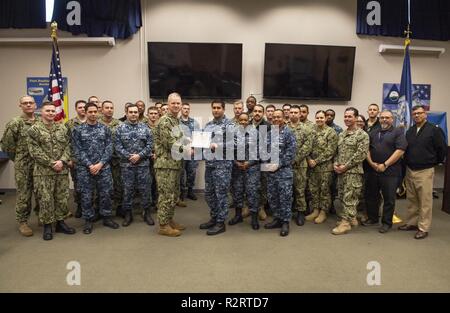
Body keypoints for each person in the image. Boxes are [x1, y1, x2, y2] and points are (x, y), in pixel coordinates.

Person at [27, 101, 75, 240]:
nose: (50, 113)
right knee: (45, 199)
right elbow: (34, 150)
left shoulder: (62, 128)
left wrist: (62, 161)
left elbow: (68, 146)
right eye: (47, 111)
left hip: (61, 170)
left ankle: (60, 223)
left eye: (53, 111)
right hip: (43, 171)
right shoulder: (34, 129)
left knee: (62, 197)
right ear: (41, 112)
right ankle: (48, 225)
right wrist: (51, 163)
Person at [400, 105, 446, 239]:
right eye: (414, 114)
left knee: (425, 201)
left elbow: (442, 149)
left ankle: (423, 227)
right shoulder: (410, 131)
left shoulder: (434, 130)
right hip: (410, 170)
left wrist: (433, 162)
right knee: (412, 199)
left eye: (419, 113)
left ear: (425, 114)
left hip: (425, 170)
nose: (416, 116)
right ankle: (412, 223)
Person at [72, 102, 119, 234]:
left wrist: (100, 164)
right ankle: (88, 220)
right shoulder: (78, 130)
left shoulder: (105, 129)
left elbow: (109, 148)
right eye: (90, 112)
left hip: (103, 167)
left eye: (95, 112)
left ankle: (106, 217)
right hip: (85, 169)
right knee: (87, 195)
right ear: (85, 113)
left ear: (98, 113)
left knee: (106, 193)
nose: (93, 114)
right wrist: (90, 165)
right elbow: (77, 149)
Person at [1, 95, 40, 236]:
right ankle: (23, 222)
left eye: (31, 103)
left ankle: (41, 216)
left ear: (35, 105)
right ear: (20, 106)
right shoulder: (15, 123)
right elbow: (7, 145)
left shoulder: (41, 121)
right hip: (23, 165)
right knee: (24, 194)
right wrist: (18, 159)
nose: (28, 105)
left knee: (41, 191)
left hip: (40, 164)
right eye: (25, 103)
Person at [364, 110, 407, 233]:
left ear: (392, 119)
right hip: (373, 169)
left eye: (387, 118)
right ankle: (372, 218)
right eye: (382, 117)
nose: (384, 120)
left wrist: (385, 164)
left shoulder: (398, 133)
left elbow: (400, 150)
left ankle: (386, 223)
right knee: (371, 195)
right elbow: (367, 148)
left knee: (389, 198)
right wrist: (372, 163)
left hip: (390, 171)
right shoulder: (374, 132)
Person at [154, 93, 190, 237]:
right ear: (168, 105)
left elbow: (179, 140)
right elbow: (170, 143)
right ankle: (163, 226)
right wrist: (187, 149)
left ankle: (169, 220)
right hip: (165, 165)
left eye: (178, 103)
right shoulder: (165, 121)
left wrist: (188, 142)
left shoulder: (176, 121)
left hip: (174, 164)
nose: (176, 105)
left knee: (173, 195)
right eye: (173, 103)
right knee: (166, 195)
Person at [115, 103, 154, 227]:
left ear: (139, 113)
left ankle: (146, 212)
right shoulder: (119, 129)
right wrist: (129, 156)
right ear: (126, 113)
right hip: (127, 166)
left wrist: (140, 155)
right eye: (131, 112)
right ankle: (128, 214)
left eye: (135, 112)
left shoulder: (145, 128)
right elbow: (117, 146)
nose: (133, 114)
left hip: (143, 165)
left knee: (145, 190)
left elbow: (150, 145)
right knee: (128, 190)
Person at [332, 107, 369, 235]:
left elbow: (361, 155)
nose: (347, 119)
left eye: (350, 116)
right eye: (346, 116)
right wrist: (336, 164)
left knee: (350, 197)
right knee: (342, 196)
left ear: (356, 118)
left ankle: (345, 223)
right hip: (341, 172)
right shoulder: (342, 134)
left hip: (353, 172)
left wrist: (345, 166)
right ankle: (352, 218)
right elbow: (338, 152)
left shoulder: (362, 135)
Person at [199, 100, 234, 235]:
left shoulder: (229, 125)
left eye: (219, 108)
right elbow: (203, 141)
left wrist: (218, 145)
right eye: (214, 108)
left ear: (223, 109)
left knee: (222, 195)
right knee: (209, 194)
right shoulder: (208, 125)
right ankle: (214, 217)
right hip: (210, 165)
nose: (216, 110)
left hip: (223, 165)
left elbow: (234, 143)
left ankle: (221, 222)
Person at [263, 109, 296, 236]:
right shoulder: (270, 133)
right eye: (274, 117)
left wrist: (278, 164)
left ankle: (285, 222)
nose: (276, 119)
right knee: (273, 197)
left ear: (283, 118)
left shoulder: (288, 133)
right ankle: (277, 219)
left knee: (285, 198)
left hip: (283, 172)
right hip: (271, 172)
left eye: (278, 117)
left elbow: (291, 153)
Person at [229, 112, 261, 230]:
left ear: (249, 120)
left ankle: (254, 218)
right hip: (237, 168)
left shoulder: (256, 133)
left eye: (245, 120)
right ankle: (238, 215)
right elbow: (229, 150)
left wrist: (249, 162)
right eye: (241, 120)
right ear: (238, 121)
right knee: (237, 192)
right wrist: (235, 162)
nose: (243, 122)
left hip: (252, 168)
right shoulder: (233, 134)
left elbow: (260, 151)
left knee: (252, 193)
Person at [306, 110, 338, 224]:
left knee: (325, 191)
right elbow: (307, 146)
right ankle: (315, 210)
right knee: (314, 189)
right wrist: (309, 159)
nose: (319, 120)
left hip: (325, 168)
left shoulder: (331, 132)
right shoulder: (311, 130)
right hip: (312, 167)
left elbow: (331, 151)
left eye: (321, 118)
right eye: (317, 118)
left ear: (325, 119)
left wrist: (316, 161)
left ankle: (323, 212)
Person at [288, 105, 313, 226]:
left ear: (299, 114)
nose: (293, 114)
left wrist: (295, 159)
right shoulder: (284, 128)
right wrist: (287, 159)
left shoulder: (306, 128)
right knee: (287, 190)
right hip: (286, 165)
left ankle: (300, 213)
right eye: (291, 112)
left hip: (300, 165)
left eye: (295, 112)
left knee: (300, 190)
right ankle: (285, 213)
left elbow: (307, 147)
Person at [99, 100, 123, 217]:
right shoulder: (97, 123)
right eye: (107, 107)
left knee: (119, 185)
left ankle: (119, 207)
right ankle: (101, 211)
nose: (109, 110)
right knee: (102, 188)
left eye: (111, 108)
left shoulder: (119, 124)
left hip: (117, 160)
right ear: (102, 110)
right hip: (101, 161)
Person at [65, 100, 87, 218]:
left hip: (91, 160)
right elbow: (66, 142)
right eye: (80, 107)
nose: (82, 109)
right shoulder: (69, 124)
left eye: (84, 107)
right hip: (76, 161)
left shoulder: (94, 122)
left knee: (92, 186)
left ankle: (91, 206)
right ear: (76, 109)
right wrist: (70, 159)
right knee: (78, 185)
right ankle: (79, 205)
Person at [179, 102, 200, 201]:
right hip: (181, 152)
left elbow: (198, 137)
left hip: (192, 152)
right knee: (181, 172)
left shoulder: (194, 122)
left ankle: (190, 191)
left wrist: (193, 149)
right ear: (181, 109)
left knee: (192, 172)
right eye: (184, 108)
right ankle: (181, 192)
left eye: (188, 108)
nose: (186, 110)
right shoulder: (176, 122)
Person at [252, 104, 270, 220]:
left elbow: (269, 145)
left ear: (263, 113)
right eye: (255, 111)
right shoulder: (247, 124)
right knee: (251, 185)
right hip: (250, 162)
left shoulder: (268, 126)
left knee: (263, 185)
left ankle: (261, 207)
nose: (257, 113)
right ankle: (250, 207)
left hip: (263, 161)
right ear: (252, 113)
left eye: (259, 111)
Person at [146, 106, 160, 211]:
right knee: (149, 182)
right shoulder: (143, 127)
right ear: (147, 115)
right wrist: (149, 154)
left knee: (158, 183)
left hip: (160, 159)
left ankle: (157, 202)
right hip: (147, 160)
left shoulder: (161, 127)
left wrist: (158, 154)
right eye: (151, 113)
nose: (153, 115)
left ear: (158, 115)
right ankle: (149, 204)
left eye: (155, 113)